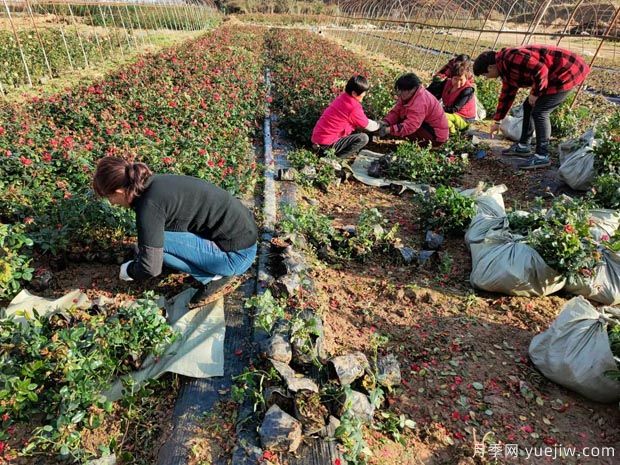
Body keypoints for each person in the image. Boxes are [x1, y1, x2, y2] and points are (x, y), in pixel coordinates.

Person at [93, 157, 258, 305]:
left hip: (236, 256)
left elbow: (151, 268)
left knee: (151, 250)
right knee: (149, 245)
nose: (112, 203)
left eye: (110, 198)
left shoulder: (149, 207)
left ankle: (213, 276)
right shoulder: (155, 184)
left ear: (119, 192)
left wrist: (129, 270)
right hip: (244, 239)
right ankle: (209, 265)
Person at [473, 45, 590, 170]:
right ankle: (524, 146)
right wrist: (497, 120)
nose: (486, 78)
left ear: (490, 67)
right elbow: (507, 95)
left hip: (568, 70)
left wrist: (535, 93)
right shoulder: (505, 69)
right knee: (528, 106)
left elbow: (541, 70)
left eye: (485, 74)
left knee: (540, 111)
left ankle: (542, 156)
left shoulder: (512, 58)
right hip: (555, 73)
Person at [311, 75, 380, 158]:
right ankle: (335, 159)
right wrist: (381, 124)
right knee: (363, 138)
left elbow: (361, 120)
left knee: (355, 129)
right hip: (326, 145)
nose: (364, 94)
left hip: (317, 140)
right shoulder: (353, 107)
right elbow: (369, 126)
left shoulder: (343, 97)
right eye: (363, 92)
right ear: (354, 93)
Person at [380, 73, 449, 147]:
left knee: (403, 129)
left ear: (411, 90)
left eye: (401, 91)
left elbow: (410, 126)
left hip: (435, 136)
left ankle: (421, 145)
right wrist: (385, 122)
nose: (399, 93)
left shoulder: (420, 102)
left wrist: (388, 130)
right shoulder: (407, 96)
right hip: (425, 126)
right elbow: (396, 112)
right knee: (398, 123)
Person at [441, 58, 477, 134]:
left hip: (465, 119)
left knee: (440, 116)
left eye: (461, 79)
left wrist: (438, 109)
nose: (458, 82)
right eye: (455, 79)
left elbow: (455, 109)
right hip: (451, 113)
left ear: (466, 78)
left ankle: (453, 134)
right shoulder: (447, 83)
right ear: (451, 77)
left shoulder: (468, 90)